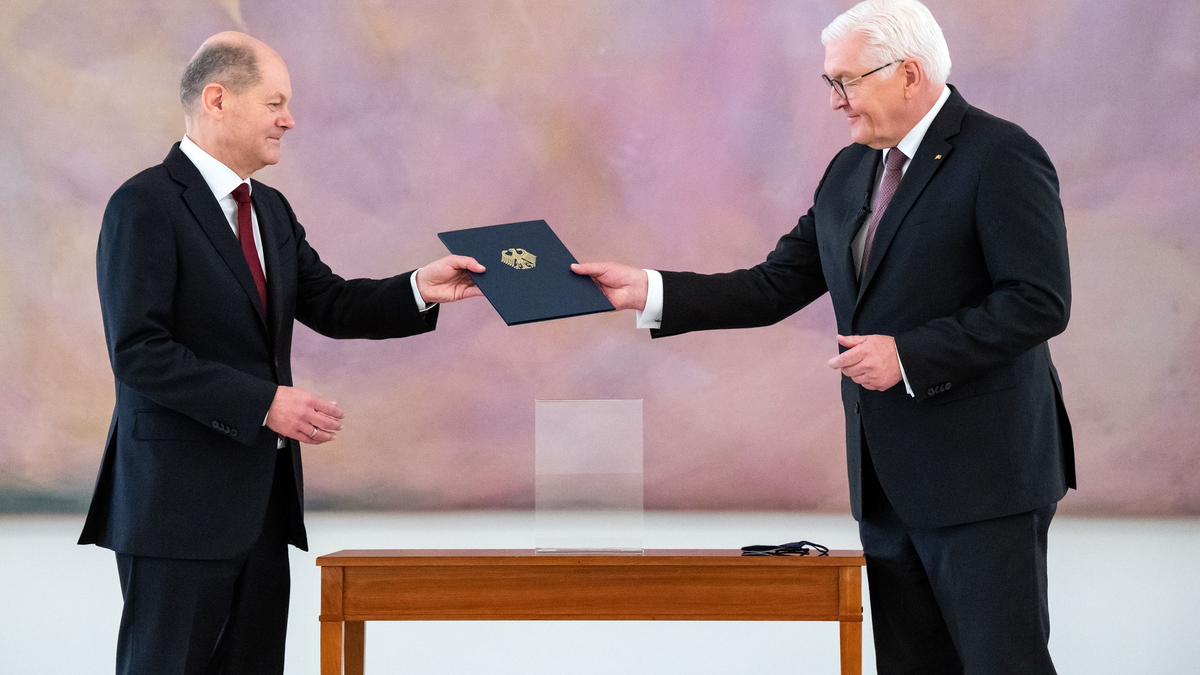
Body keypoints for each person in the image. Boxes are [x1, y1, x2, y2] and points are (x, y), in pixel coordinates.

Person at [573, 1, 1074, 672]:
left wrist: (909, 353)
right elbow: (774, 284)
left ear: (909, 73)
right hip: (886, 482)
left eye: (847, 81)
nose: (836, 101)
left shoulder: (1001, 154)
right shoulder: (851, 171)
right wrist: (650, 288)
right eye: (829, 83)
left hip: (984, 479)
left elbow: (1038, 300)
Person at [79, 31, 485, 675]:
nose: (289, 119)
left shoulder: (269, 209)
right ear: (217, 99)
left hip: (262, 512)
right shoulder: (144, 204)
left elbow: (330, 303)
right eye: (275, 103)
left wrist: (419, 287)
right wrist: (263, 402)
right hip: (175, 513)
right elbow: (139, 353)